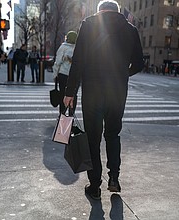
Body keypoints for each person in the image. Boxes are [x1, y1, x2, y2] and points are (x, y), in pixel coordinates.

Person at [63, 0, 144, 200]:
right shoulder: (130, 29)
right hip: (117, 91)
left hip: (92, 91)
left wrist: (69, 92)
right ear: (116, 11)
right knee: (113, 134)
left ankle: (95, 185)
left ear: (100, 11)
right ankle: (114, 178)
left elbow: (78, 60)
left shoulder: (89, 24)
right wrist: (123, 73)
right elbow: (140, 63)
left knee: (93, 138)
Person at [53, 31, 78, 115]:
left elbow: (58, 62)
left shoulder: (63, 47)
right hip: (75, 76)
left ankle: (62, 115)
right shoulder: (78, 47)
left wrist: (55, 74)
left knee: (63, 94)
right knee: (73, 95)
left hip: (63, 74)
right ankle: (71, 115)